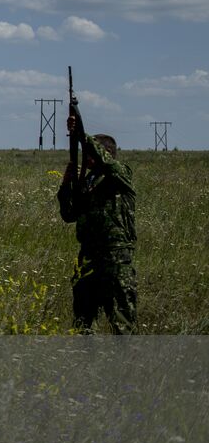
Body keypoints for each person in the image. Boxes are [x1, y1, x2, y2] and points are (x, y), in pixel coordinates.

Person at [58, 115, 137, 334]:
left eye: (90, 152)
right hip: (89, 255)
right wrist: (66, 185)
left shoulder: (120, 174)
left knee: (122, 318)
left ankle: (125, 362)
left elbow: (108, 164)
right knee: (82, 316)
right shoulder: (87, 181)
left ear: (105, 153)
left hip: (115, 257)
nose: (87, 157)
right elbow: (69, 214)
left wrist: (81, 135)